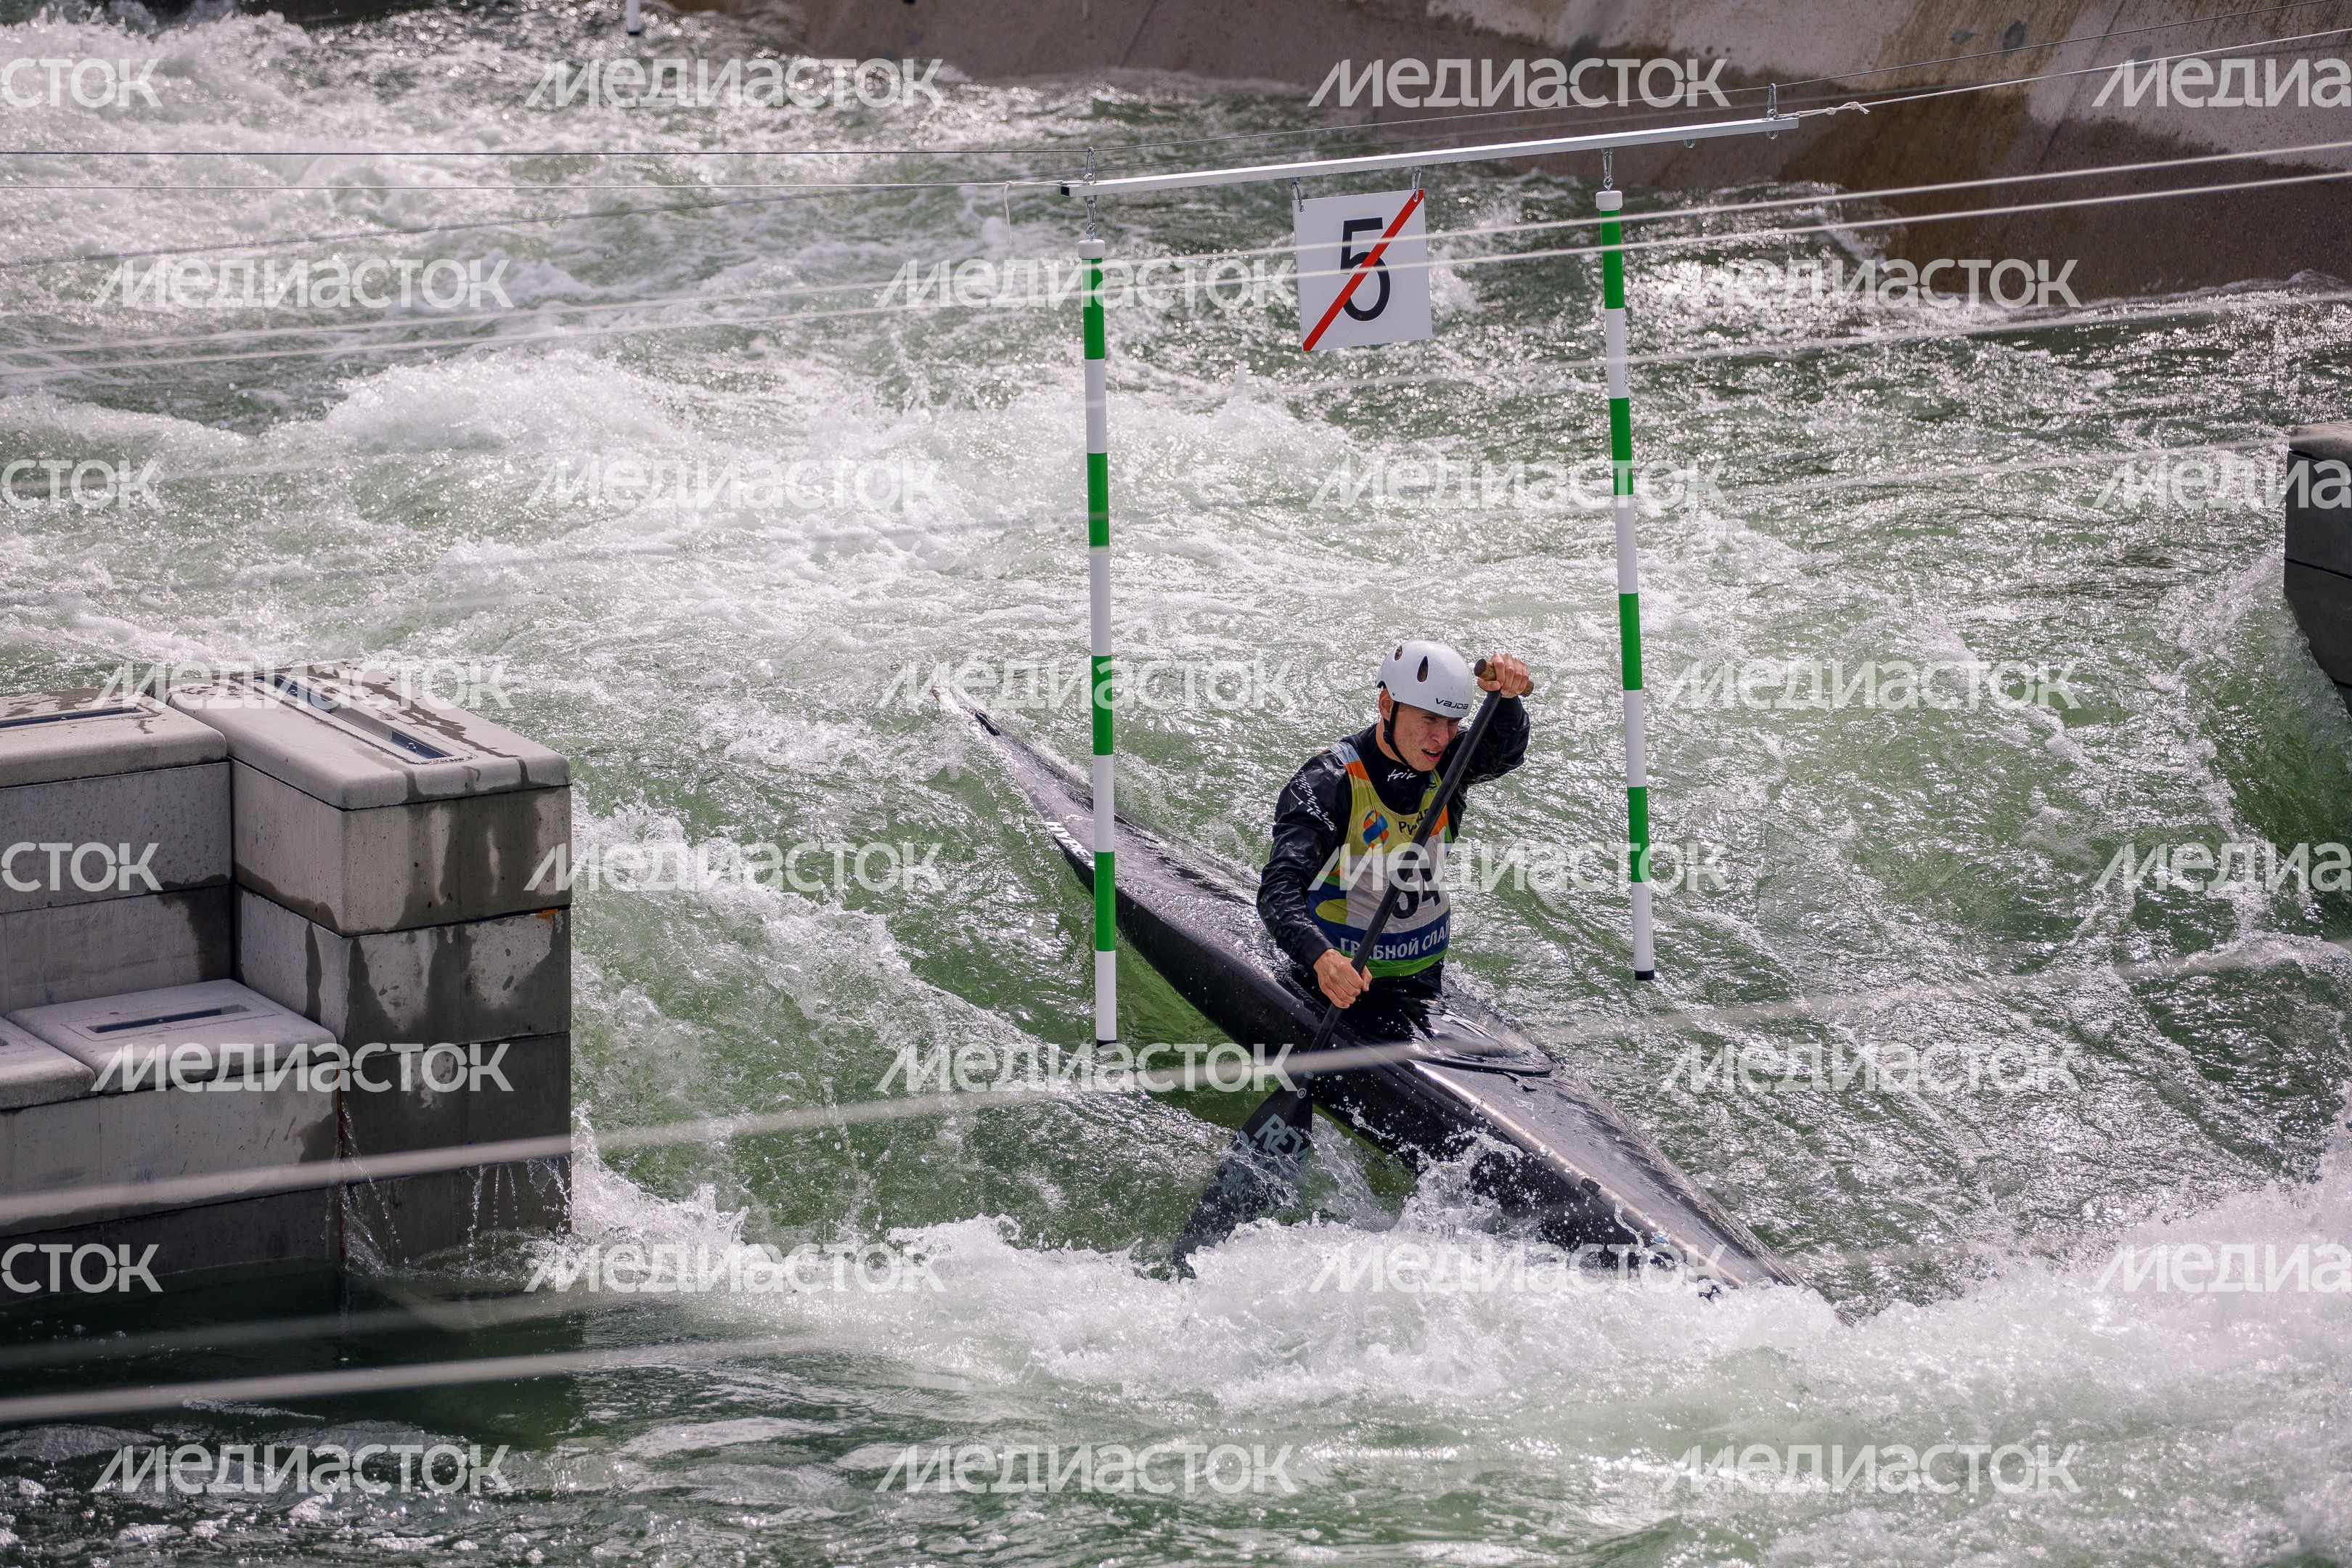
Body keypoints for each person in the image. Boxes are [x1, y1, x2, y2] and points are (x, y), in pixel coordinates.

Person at [1257, 640, 1532, 1009]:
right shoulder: (1330, 782)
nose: (1441, 738)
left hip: (1425, 978)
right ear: (1387, 705)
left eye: (1452, 723)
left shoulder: (1449, 761)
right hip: (1341, 983)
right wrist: (1322, 958)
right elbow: (1280, 886)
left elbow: (1504, 752)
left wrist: (1508, 699)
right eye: (1429, 720)